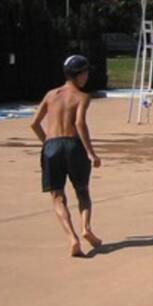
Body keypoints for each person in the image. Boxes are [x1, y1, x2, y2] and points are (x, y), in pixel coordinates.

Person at [29, 55, 103, 257]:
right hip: (73, 146)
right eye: (85, 73)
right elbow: (79, 124)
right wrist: (90, 152)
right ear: (78, 75)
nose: (87, 77)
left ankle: (72, 238)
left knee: (57, 196)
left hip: (51, 146)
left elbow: (34, 124)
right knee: (82, 191)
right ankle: (86, 228)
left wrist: (47, 142)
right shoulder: (81, 97)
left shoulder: (51, 95)